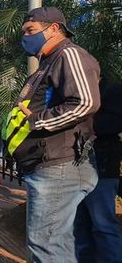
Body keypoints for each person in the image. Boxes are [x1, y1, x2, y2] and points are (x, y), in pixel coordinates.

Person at [4, 7, 100, 262]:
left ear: (54, 29)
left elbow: (85, 103)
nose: (24, 36)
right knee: (55, 244)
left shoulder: (69, 55)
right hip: (48, 165)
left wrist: (36, 121)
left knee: (46, 246)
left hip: (59, 166)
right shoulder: (48, 63)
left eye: (30, 30)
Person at [73, 77, 122, 262]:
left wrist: (84, 123)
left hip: (101, 169)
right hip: (77, 169)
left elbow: (113, 124)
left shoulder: (112, 91)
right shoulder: (76, 95)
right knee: (81, 225)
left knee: (103, 226)